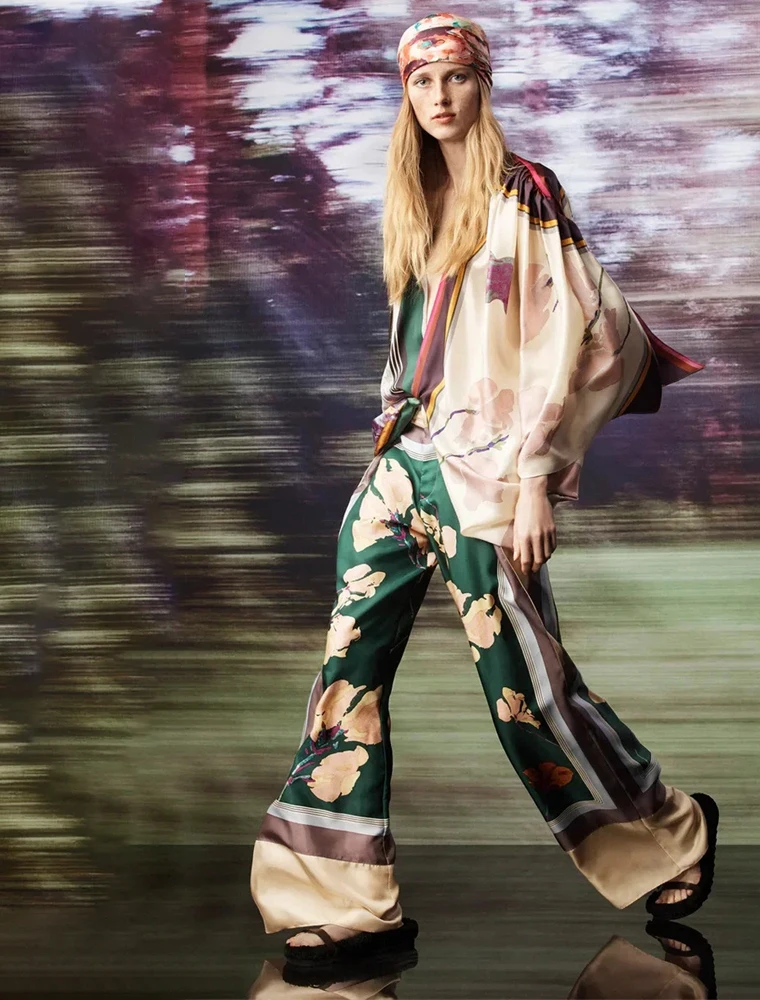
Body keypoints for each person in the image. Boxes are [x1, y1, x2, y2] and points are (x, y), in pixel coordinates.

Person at [250, 12, 720, 968]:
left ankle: (671, 832)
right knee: (345, 679)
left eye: (456, 78)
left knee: (522, 692)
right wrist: (388, 445)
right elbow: (419, 348)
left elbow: (578, 333)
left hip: (490, 475)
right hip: (403, 464)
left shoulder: (524, 191)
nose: (439, 96)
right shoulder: (413, 202)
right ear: (407, 96)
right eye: (421, 82)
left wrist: (538, 471)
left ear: (482, 85)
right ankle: (342, 904)